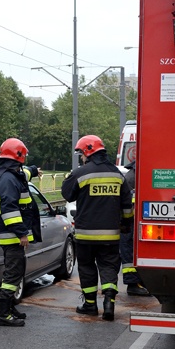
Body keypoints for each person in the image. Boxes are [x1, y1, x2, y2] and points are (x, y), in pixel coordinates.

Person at [61, 135, 133, 321]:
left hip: (86, 235)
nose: (82, 157)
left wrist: (73, 176)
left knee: (86, 267)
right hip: (111, 235)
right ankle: (109, 305)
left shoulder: (81, 173)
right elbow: (127, 206)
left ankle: (90, 305)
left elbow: (67, 194)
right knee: (109, 267)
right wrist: (125, 224)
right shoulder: (118, 175)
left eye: (82, 154)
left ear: (88, 152)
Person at [0, 137, 41, 326]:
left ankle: (10, 307)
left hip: (12, 236)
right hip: (12, 236)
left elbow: (23, 175)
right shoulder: (8, 178)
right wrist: (21, 232)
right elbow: (9, 210)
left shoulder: (9, 174)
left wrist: (33, 171)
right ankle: (3, 314)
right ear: (18, 156)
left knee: (15, 272)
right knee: (13, 274)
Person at [120, 149, 150, 296]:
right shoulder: (134, 175)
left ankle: (137, 282)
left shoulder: (133, 173)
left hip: (133, 219)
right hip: (131, 220)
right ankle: (132, 283)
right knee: (129, 252)